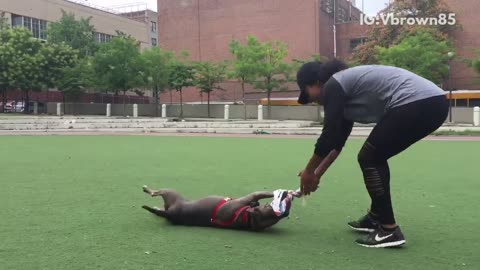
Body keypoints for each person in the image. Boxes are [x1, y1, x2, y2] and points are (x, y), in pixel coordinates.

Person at [296, 60, 448, 248]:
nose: (311, 101)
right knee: (374, 156)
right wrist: (316, 175)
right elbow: (336, 143)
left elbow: (327, 137)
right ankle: (376, 217)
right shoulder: (345, 89)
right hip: (433, 103)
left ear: (317, 83)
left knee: (370, 157)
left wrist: (308, 172)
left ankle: (388, 229)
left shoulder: (334, 85)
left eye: (307, 93)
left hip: (419, 102)